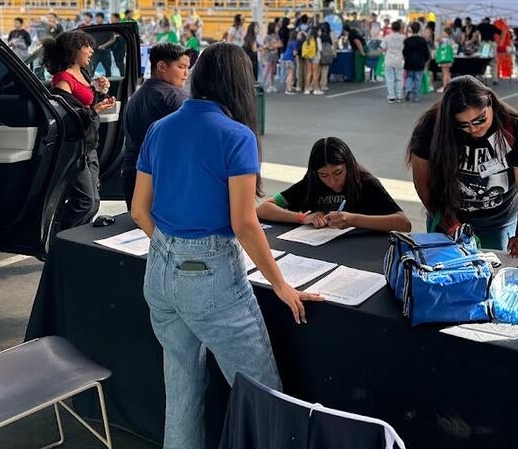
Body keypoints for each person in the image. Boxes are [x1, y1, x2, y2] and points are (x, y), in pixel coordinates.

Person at [131, 43, 322, 447]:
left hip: (160, 272)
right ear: (239, 83)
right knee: (265, 396)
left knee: (181, 392)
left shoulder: (160, 128)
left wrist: (174, 249)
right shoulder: (237, 136)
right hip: (211, 281)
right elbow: (244, 223)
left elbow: (138, 210)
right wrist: (282, 285)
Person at [408, 76, 518, 253]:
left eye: (480, 119)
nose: (474, 129)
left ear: (490, 102)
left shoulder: (516, 130)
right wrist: (448, 221)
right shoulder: (431, 126)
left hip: (497, 223)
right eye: (463, 124)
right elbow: (423, 183)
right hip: (446, 217)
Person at [256, 137, 410, 233]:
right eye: (324, 175)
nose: (332, 181)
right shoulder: (311, 183)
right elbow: (263, 209)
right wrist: (302, 217)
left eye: (338, 173)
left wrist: (352, 219)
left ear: (348, 166)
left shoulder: (366, 183)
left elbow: (403, 223)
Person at [42, 30, 116, 229]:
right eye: (87, 46)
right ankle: (60, 237)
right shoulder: (62, 80)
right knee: (85, 202)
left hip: (89, 145)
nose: (91, 51)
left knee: (93, 203)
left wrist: (99, 93)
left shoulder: (82, 74)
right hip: (74, 148)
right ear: (73, 50)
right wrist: (95, 109)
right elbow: (66, 116)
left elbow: (84, 106)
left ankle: (75, 241)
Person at [122, 43, 189, 209]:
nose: (186, 73)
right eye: (181, 67)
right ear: (161, 66)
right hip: (163, 179)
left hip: (132, 176)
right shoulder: (176, 98)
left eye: (188, 68)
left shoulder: (136, 97)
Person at [403, 21, 431, 103]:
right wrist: (425, 60)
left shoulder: (407, 40)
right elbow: (426, 53)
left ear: (411, 29)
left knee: (409, 77)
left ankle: (408, 89)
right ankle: (416, 97)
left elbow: (404, 52)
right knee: (418, 79)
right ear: (419, 29)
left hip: (409, 62)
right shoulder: (422, 41)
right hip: (420, 62)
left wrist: (406, 58)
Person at [382, 19, 406, 103]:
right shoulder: (403, 37)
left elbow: (383, 48)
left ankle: (391, 97)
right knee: (399, 78)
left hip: (389, 59)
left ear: (391, 28)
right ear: (399, 28)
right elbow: (404, 49)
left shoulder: (387, 37)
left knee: (390, 78)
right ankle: (399, 96)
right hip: (399, 59)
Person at [301, 25, 322, 95]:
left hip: (308, 56)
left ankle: (306, 89)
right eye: (319, 31)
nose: (320, 32)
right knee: (315, 73)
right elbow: (320, 49)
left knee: (308, 72)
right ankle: (315, 89)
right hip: (315, 56)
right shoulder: (317, 39)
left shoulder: (308, 39)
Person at [435, 26, 455, 93]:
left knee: (445, 73)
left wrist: (442, 35)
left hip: (444, 58)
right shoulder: (450, 39)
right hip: (449, 58)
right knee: (448, 73)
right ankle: (450, 87)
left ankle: (444, 87)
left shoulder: (444, 39)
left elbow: (436, 39)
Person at [261, 21, 281, 93]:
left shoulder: (277, 36)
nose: (277, 28)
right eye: (276, 27)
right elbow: (266, 46)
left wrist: (273, 45)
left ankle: (271, 85)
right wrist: (274, 45)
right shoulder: (267, 36)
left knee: (273, 71)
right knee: (267, 70)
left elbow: (280, 44)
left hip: (275, 55)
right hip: (268, 56)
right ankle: (262, 85)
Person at [318, 22, 336, 92]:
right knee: (325, 71)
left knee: (318, 71)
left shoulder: (319, 37)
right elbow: (332, 46)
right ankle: (323, 85)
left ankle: (316, 84)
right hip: (327, 56)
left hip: (320, 55)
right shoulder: (328, 36)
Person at [280, 29, 300, 95]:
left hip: (285, 58)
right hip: (289, 59)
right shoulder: (294, 42)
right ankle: (288, 89)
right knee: (290, 74)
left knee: (289, 73)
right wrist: (297, 52)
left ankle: (288, 87)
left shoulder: (290, 42)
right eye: (298, 35)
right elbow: (294, 53)